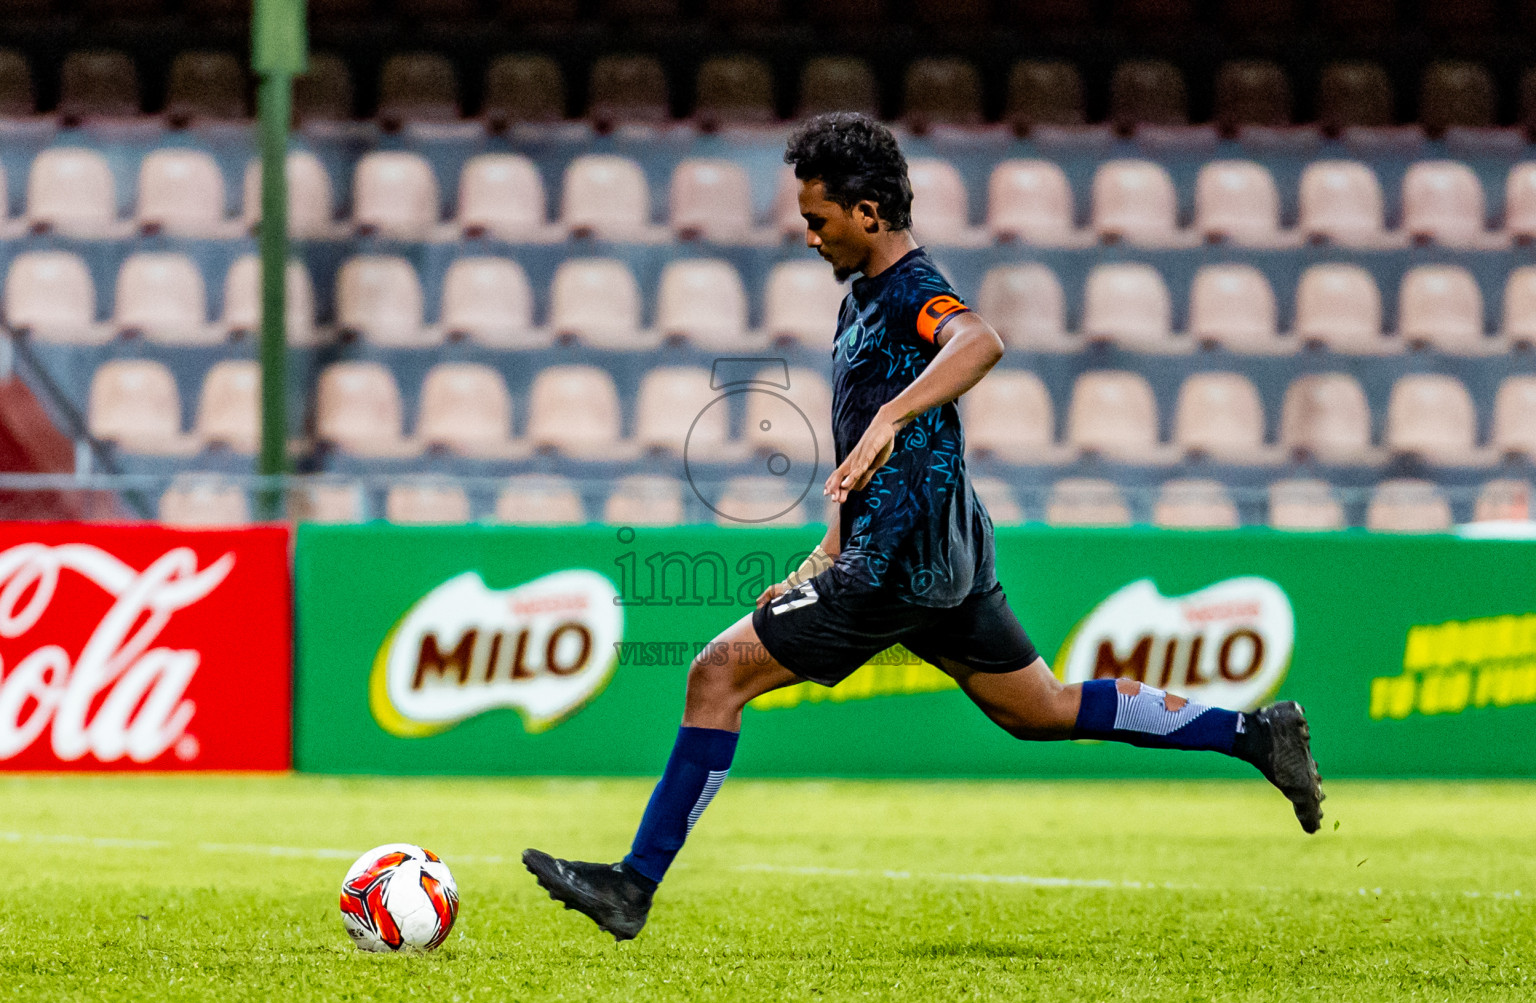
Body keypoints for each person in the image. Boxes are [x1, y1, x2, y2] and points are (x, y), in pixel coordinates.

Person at [523, 113, 1324, 940]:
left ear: (868, 213)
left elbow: (981, 340)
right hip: (937, 557)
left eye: (817, 219)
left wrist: (893, 421)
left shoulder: (912, 289)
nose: (808, 237)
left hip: (897, 567)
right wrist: (824, 547)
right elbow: (859, 442)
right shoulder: (861, 303)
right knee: (1039, 708)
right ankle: (1256, 734)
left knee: (714, 677)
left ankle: (633, 885)